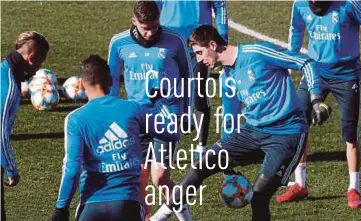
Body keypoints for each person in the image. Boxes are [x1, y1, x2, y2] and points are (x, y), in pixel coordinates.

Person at [149, 25, 331, 221]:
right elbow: (230, 116)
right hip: (252, 132)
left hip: (287, 133)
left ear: (213, 44)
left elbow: (306, 62)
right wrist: (227, 159)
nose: (199, 59)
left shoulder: (258, 52)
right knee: (202, 165)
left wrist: (316, 99)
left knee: (259, 197)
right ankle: (159, 218)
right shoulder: (227, 75)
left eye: (200, 53)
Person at [276, 0, 361, 209]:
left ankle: (353, 188)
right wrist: (290, 62)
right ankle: (300, 184)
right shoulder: (299, 5)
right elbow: (296, 30)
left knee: (350, 134)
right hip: (314, 71)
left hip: (346, 75)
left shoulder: (349, 4)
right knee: (298, 123)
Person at [51, 54, 179, 221]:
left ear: (82, 84)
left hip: (92, 206)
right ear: (111, 81)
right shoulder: (133, 109)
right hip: (128, 205)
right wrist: (159, 106)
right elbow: (171, 133)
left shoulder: (75, 119)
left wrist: (61, 208)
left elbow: (72, 170)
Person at [107, 1, 192, 219]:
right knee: (139, 178)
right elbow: (112, 82)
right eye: (146, 28)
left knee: (160, 177)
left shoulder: (175, 40)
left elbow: (187, 76)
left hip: (167, 115)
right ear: (134, 21)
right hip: (137, 117)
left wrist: (187, 111)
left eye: (155, 26)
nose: (151, 32)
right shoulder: (119, 43)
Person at [156, 0, 228, 160]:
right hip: (168, 42)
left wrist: (222, 36)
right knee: (168, 93)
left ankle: (201, 146)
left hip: (199, 43)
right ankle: (168, 147)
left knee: (199, 95)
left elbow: (219, 4)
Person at [1, 31, 49, 221]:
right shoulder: (9, 87)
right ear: (31, 58)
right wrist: (11, 169)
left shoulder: (3, 70)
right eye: (39, 63)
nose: (38, 70)